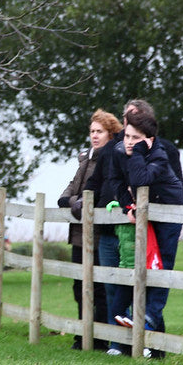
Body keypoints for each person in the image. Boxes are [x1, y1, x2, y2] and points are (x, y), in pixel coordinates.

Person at [106, 109, 183, 357]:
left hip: (170, 216)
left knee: (161, 268)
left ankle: (150, 317)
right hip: (147, 214)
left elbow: (141, 179)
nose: (129, 142)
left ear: (149, 139)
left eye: (135, 138)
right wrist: (127, 205)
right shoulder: (119, 151)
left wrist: (141, 151)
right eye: (127, 136)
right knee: (142, 268)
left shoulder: (159, 155)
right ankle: (130, 338)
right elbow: (116, 181)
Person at [59, 109, 122, 350]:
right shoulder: (84, 158)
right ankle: (81, 334)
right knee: (79, 286)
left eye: (100, 132)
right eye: (92, 131)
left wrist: (78, 201)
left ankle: (99, 338)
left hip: (98, 234)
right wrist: (74, 200)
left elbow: (95, 196)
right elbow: (68, 192)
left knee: (100, 288)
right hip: (77, 234)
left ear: (110, 133)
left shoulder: (109, 159)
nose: (95, 136)